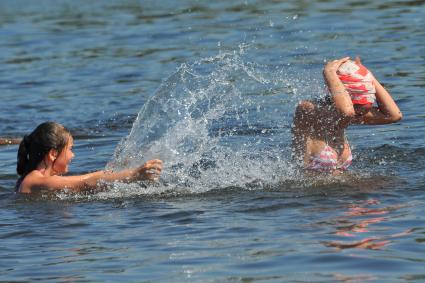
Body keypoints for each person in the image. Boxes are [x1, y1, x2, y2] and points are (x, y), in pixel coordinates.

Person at [292, 56, 402, 174]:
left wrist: (368, 76)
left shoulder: (348, 115)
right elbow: (347, 112)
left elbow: (394, 115)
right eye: (358, 110)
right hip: (313, 192)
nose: (358, 116)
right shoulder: (308, 109)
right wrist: (329, 72)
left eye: (361, 112)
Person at [16, 121, 163, 193]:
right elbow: (86, 182)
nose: (73, 155)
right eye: (70, 149)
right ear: (53, 154)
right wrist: (134, 174)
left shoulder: (33, 178)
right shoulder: (34, 179)